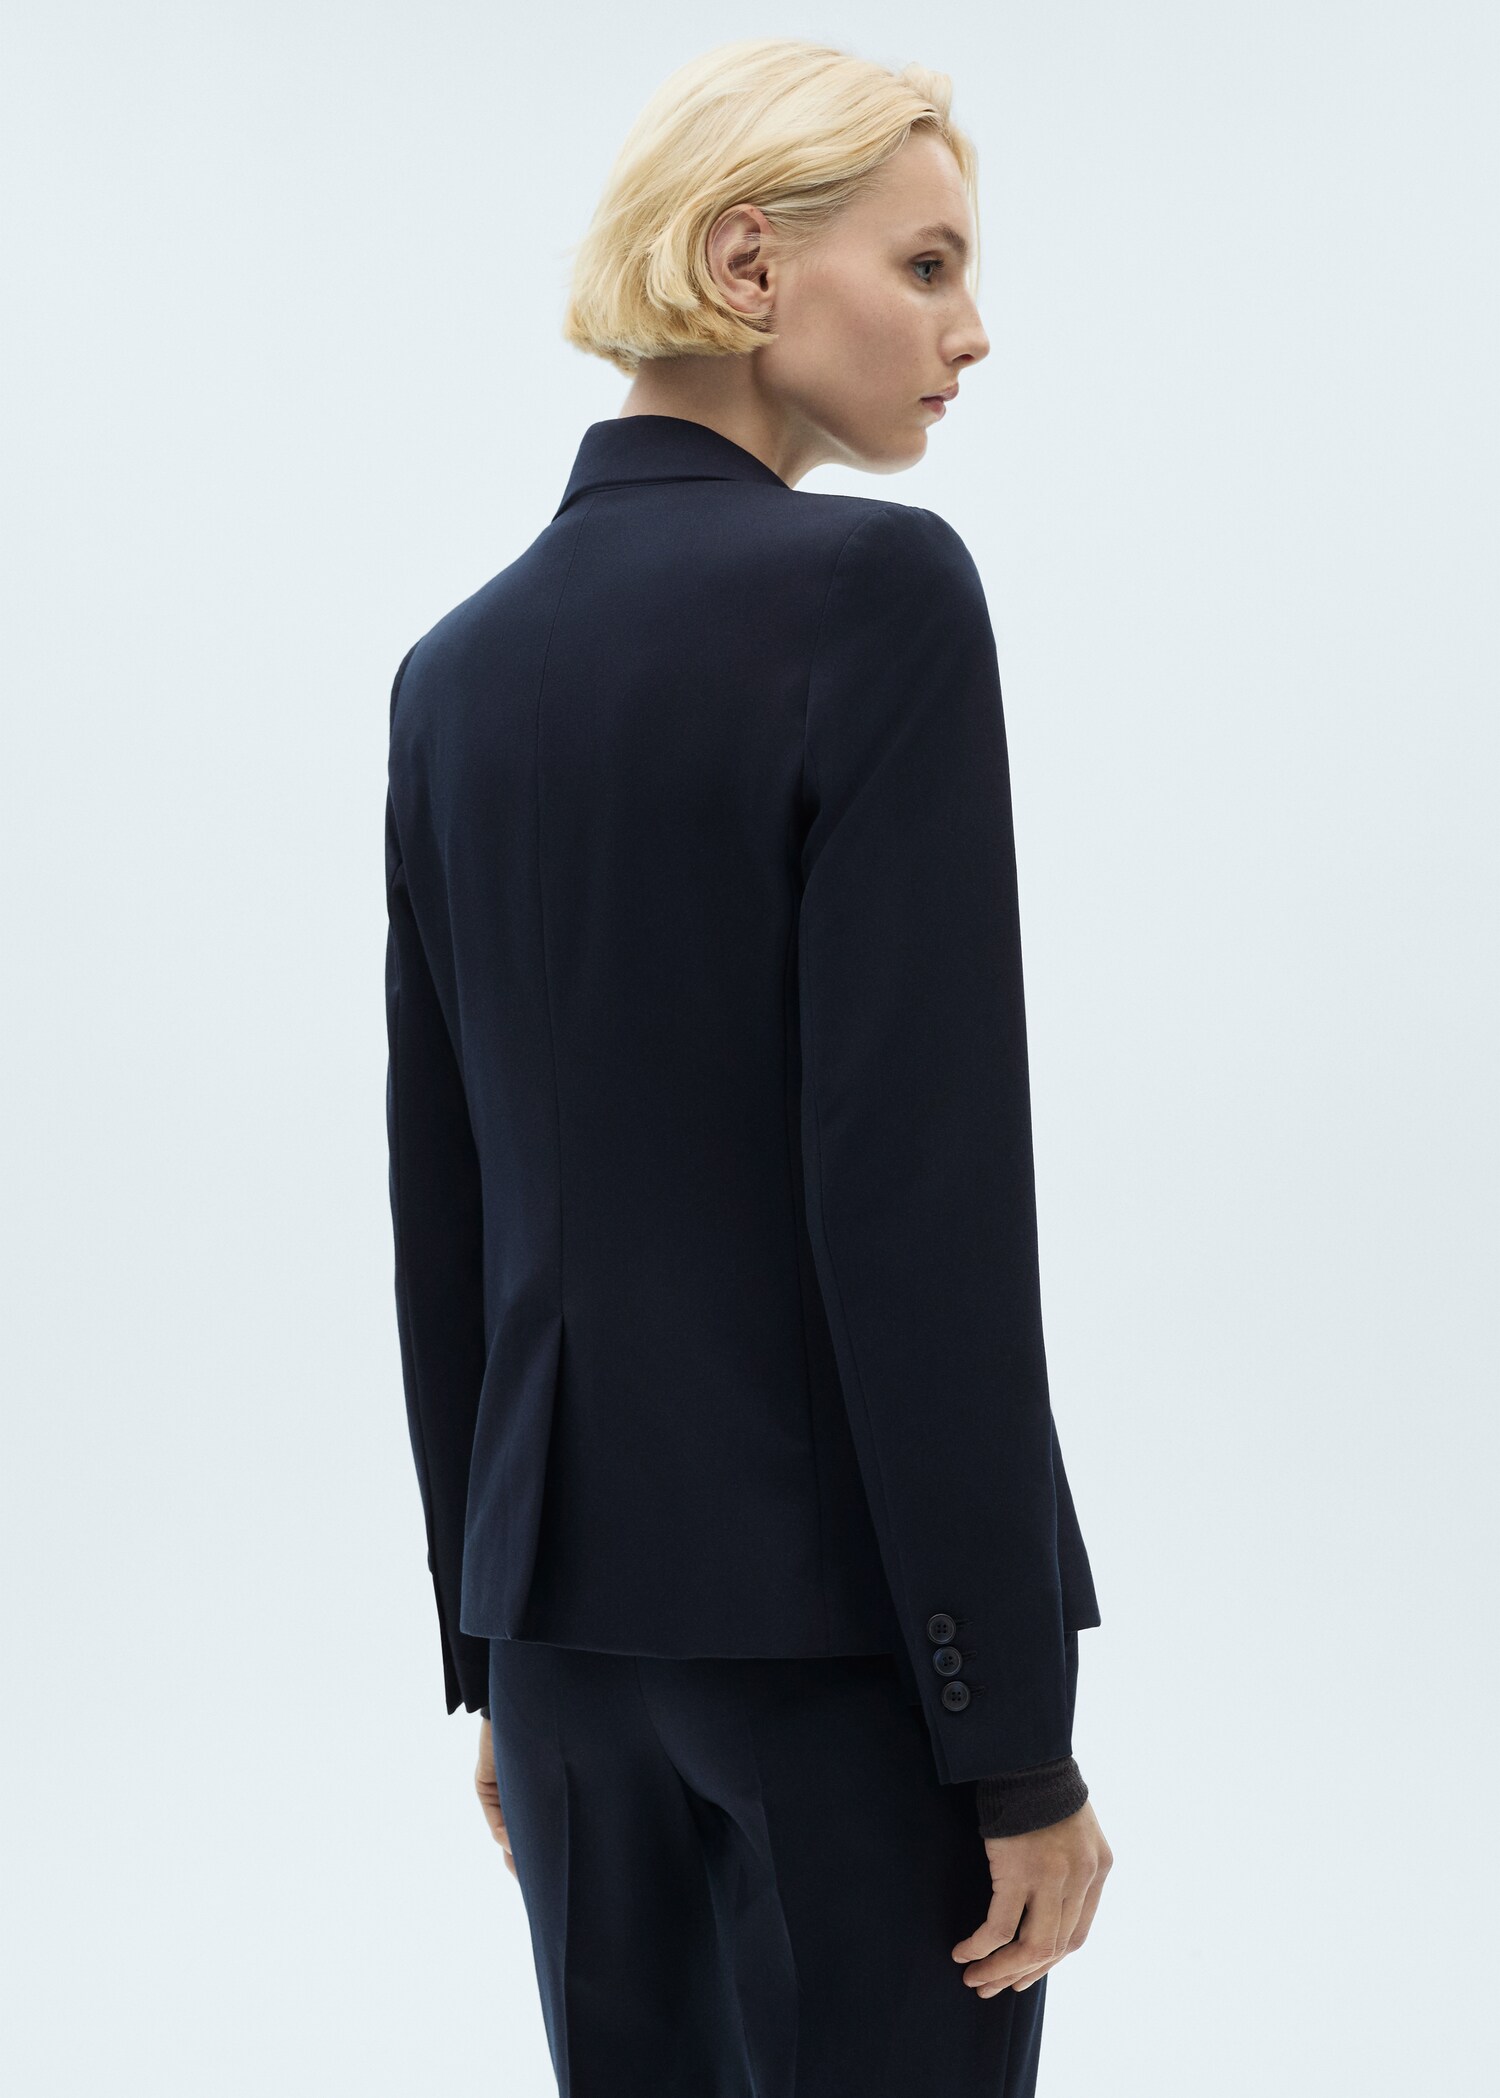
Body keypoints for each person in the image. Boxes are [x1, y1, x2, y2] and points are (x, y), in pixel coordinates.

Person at [384, 36, 1112, 2097]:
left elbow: (445, 1201)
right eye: (929, 263)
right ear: (744, 262)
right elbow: (920, 1201)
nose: (973, 330)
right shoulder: (875, 599)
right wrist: (1014, 1737)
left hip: (561, 1652)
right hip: (844, 1662)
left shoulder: (454, 673)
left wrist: (492, 1653)